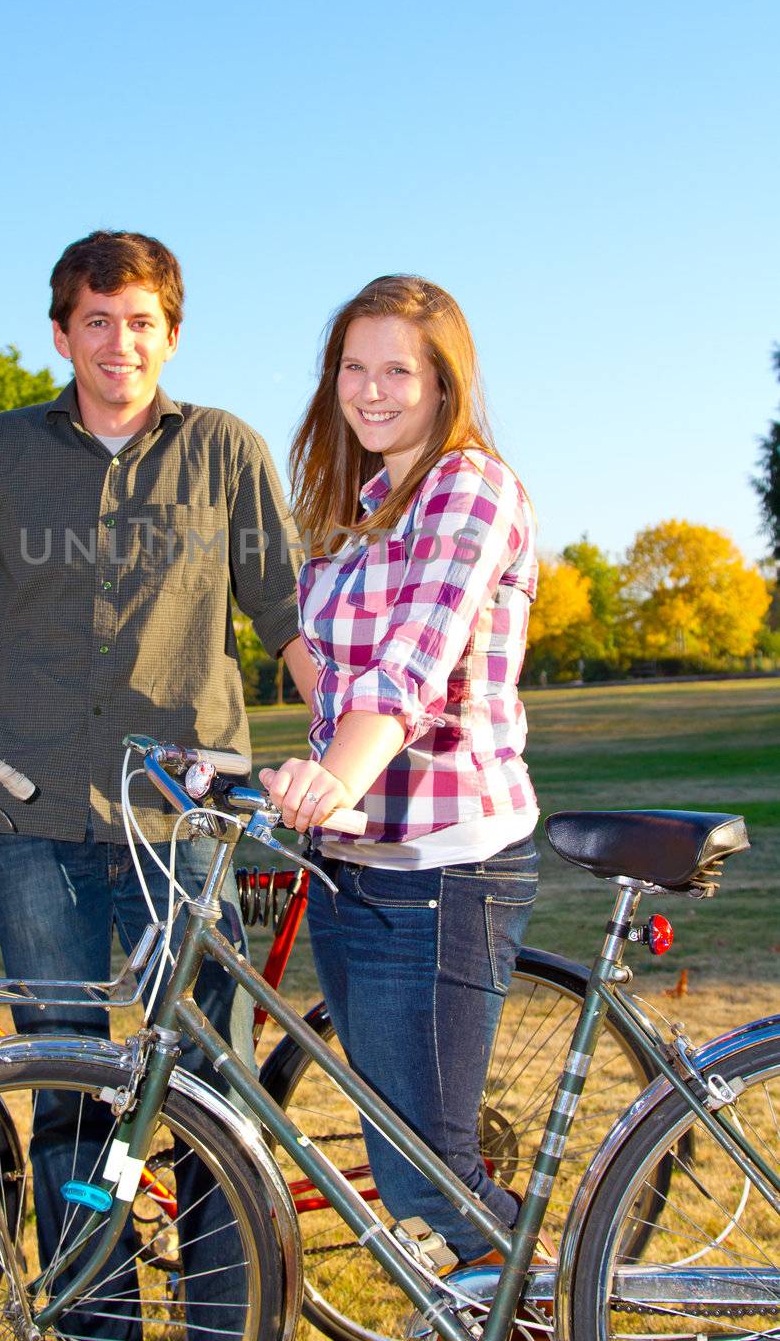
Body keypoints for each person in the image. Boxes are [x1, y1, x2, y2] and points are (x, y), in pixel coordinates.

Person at [0, 229, 312, 1334]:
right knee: (72, 1088)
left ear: (170, 332)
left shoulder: (224, 450)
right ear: (60, 332)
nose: (118, 342)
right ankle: (93, 1320)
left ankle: (229, 1318)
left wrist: (344, 742)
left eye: (140, 322)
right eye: (95, 320)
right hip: (31, 821)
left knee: (208, 1088)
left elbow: (286, 620)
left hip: (181, 827)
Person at [260, 274, 540, 1274]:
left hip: (443, 864)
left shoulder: (470, 486)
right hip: (352, 864)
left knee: (428, 1174)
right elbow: (330, 682)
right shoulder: (358, 510)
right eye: (352, 367)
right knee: (405, 1164)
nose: (370, 391)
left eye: (396, 369)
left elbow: (409, 668)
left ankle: (546, 1300)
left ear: (441, 382)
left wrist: (333, 776)